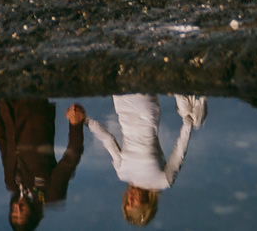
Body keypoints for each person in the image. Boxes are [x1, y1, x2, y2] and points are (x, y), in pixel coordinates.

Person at [86, 94, 208, 226]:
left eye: (127, 203)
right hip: (146, 113)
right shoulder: (163, 181)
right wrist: (187, 124)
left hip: (123, 109)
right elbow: (180, 152)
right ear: (146, 205)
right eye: (133, 204)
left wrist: (86, 121)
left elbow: (108, 140)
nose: (130, 199)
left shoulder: (122, 173)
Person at [0, 98, 86, 230]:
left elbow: (3, 142)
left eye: (14, 214)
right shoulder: (50, 194)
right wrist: (76, 125)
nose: (18, 210)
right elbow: (70, 160)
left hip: (6, 106)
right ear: (33, 215)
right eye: (22, 215)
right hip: (34, 108)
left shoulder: (11, 183)